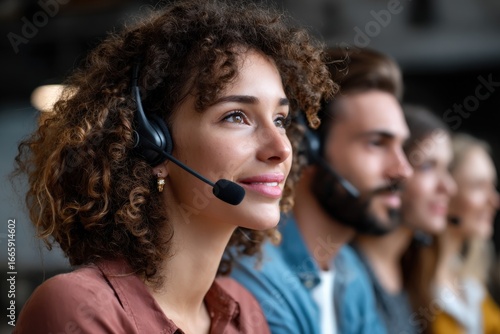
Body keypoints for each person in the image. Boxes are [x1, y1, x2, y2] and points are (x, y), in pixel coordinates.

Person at [12, 1, 334, 333]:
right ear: (153, 145)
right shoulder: (79, 308)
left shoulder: (243, 314)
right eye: (236, 116)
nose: (281, 148)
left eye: (279, 119)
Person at [231, 47, 413, 334]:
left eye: (401, 146)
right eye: (377, 143)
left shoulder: (349, 270)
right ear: (309, 147)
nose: (403, 169)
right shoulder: (254, 274)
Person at [351, 105, 457, 334]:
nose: (448, 187)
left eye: (447, 168)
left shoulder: (416, 266)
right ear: (395, 171)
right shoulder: (349, 271)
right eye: (428, 167)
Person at [432, 133, 500, 334]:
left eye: (493, 186)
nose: (494, 201)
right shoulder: (418, 281)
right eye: (478, 186)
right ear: (445, 189)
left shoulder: (469, 278)